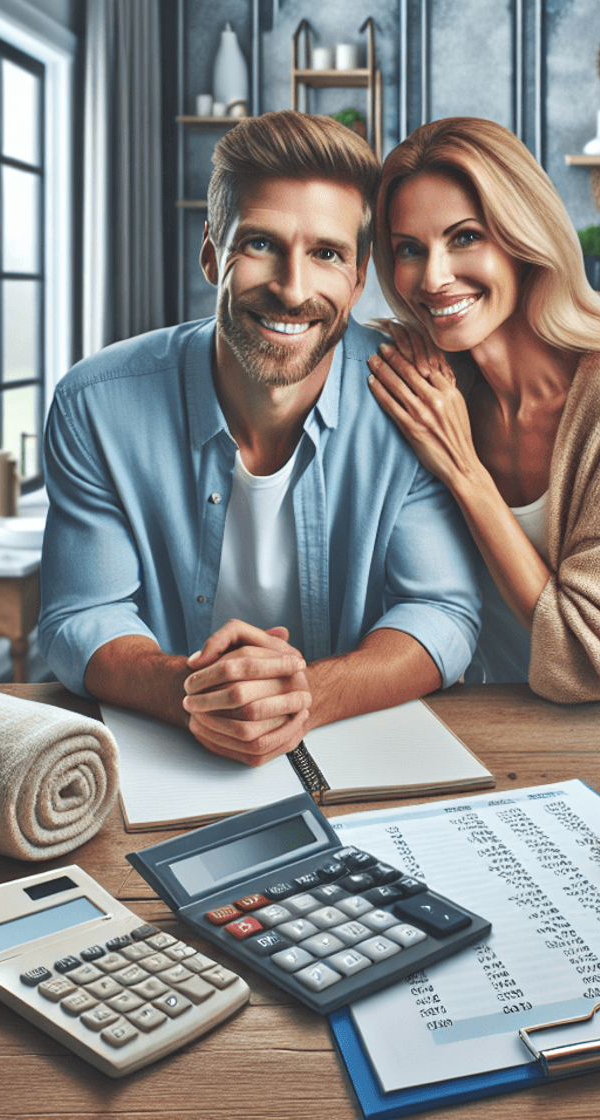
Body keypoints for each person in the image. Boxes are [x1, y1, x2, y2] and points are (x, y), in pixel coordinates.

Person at [40, 111, 481, 766]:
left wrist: (301, 699)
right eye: (261, 245)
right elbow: (81, 616)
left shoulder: (411, 397)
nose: (292, 289)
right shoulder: (96, 404)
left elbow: (441, 612)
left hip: (354, 757)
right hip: (159, 758)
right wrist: (194, 695)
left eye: (326, 254)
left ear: (360, 278)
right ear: (213, 251)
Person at [366, 116, 600, 704]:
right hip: (483, 726)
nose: (434, 278)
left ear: (523, 238)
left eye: (465, 237)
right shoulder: (434, 384)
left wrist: (463, 469)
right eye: (410, 250)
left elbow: (596, 667)